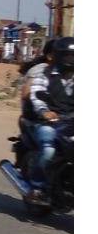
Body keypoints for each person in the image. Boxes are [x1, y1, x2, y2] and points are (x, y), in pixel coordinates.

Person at [23, 36, 73, 201]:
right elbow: (36, 96)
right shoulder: (44, 74)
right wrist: (44, 111)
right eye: (68, 56)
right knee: (49, 149)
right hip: (47, 122)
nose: (71, 60)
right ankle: (37, 187)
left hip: (70, 123)